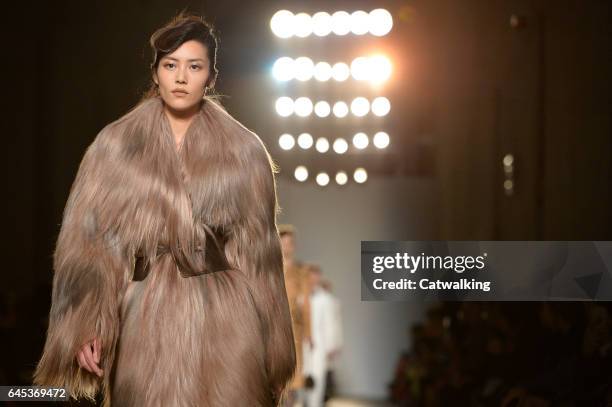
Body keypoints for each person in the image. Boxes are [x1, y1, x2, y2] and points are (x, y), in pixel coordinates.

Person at [32, 13, 296, 407]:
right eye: (170, 65)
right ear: (155, 73)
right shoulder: (115, 147)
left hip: (228, 321)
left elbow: (260, 257)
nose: (181, 77)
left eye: (194, 66)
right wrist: (86, 324)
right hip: (145, 316)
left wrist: (274, 352)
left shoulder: (244, 151)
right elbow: (89, 242)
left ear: (211, 76)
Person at [279, 224, 312, 407]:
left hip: (294, 329)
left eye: (290, 243)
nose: (287, 246)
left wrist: (309, 332)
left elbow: (306, 303)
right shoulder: (271, 269)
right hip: (275, 326)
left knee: (294, 376)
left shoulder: (301, 272)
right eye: (284, 243)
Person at [304, 265, 341, 407]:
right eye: (310, 276)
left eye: (316, 276)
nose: (313, 279)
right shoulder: (300, 295)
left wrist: (331, 346)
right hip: (302, 345)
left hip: (319, 345)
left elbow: (330, 324)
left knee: (317, 380)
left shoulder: (325, 298)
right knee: (301, 381)